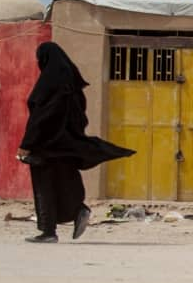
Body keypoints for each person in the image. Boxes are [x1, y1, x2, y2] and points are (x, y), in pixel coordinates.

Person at [16, 42, 135, 244]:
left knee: (45, 189)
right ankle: (76, 211)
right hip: (65, 147)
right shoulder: (72, 89)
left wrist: (27, 143)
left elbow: (40, 118)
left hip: (45, 148)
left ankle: (49, 231)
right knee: (63, 184)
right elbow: (80, 119)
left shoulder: (49, 85)